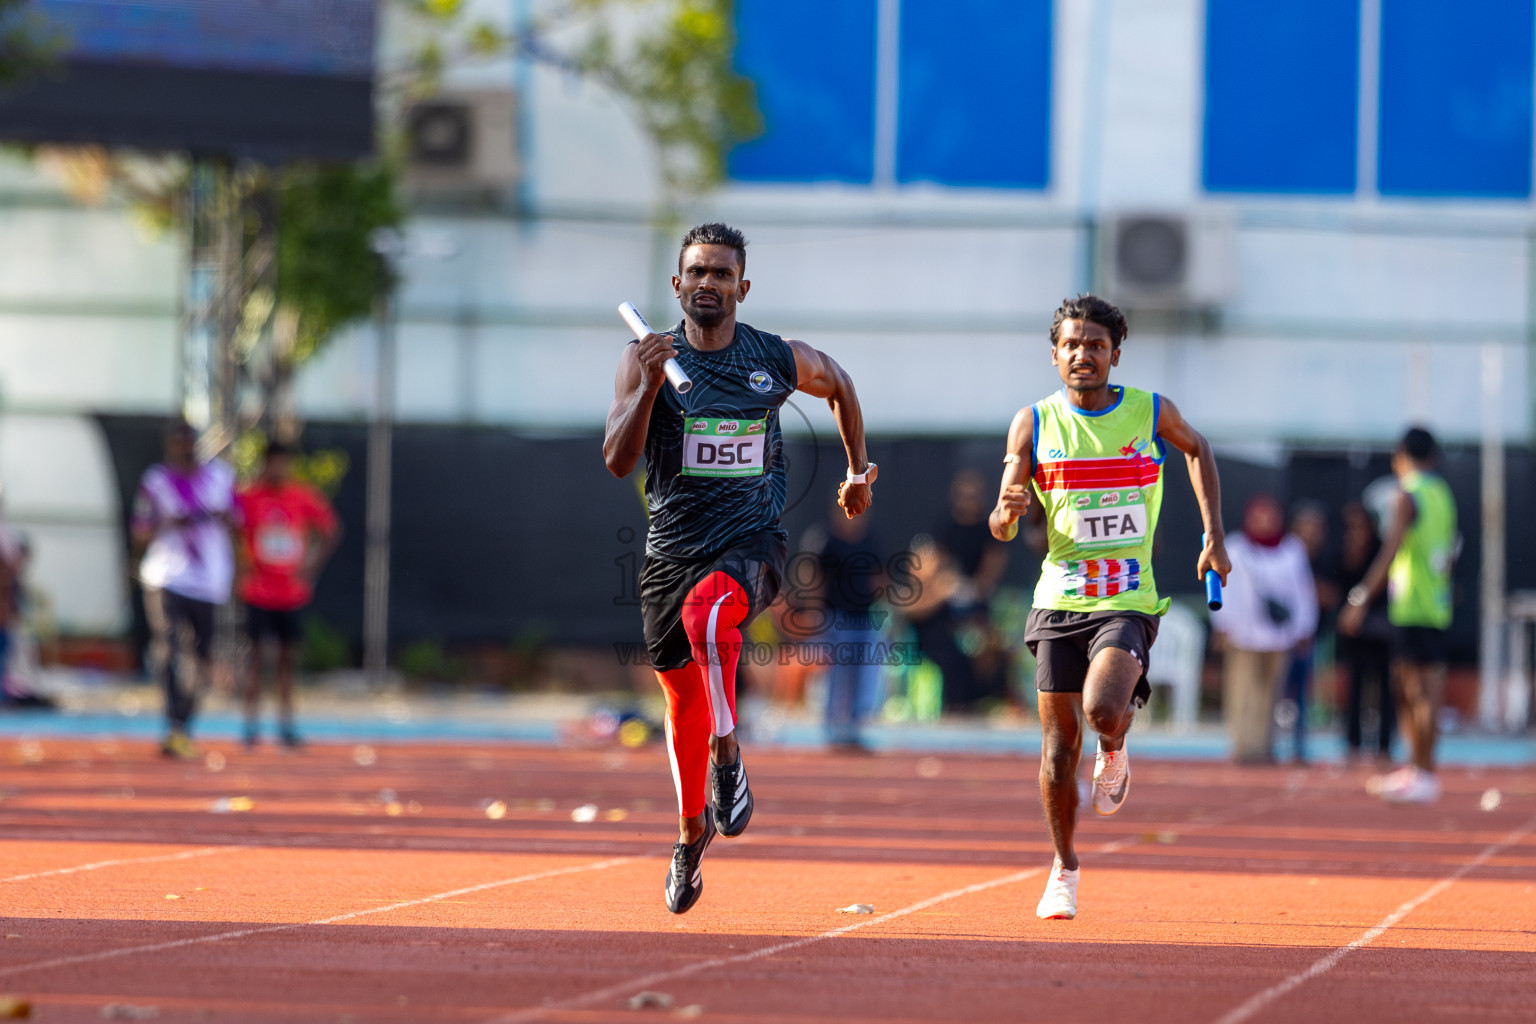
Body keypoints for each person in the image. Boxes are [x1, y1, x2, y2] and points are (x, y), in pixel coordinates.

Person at [603, 222, 874, 914]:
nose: (707, 283)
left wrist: (856, 469)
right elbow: (617, 459)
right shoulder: (644, 357)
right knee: (680, 700)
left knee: (712, 615)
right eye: (696, 272)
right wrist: (648, 385)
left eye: (721, 274)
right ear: (677, 284)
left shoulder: (773, 359)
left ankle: (731, 751)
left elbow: (840, 384)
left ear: (741, 288)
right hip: (670, 549)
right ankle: (691, 834)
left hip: (752, 540)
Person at [989, 294, 1230, 921]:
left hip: (1126, 596)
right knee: (1055, 754)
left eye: (1095, 345)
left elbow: (1198, 449)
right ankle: (1064, 868)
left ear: (1114, 354)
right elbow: (1004, 516)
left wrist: (1214, 538)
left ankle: (1116, 744)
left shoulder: (1150, 413)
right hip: (1058, 597)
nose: (1082, 355)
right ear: (1054, 355)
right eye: (1071, 344)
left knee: (1101, 709)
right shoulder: (1034, 422)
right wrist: (1007, 515)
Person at [1339, 426, 1457, 804]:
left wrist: (1358, 599)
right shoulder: (1443, 495)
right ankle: (1421, 771)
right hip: (1437, 603)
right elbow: (1451, 553)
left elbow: (1390, 551)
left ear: (1399, 456)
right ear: (1434, 458)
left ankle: (1421, 773)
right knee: (1427, 691)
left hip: (1411, 604)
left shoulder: (1407, 496)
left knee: (1413, 691)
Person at [131, 419, 237, 759]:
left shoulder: (220, 478)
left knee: (202, 659)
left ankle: (183, 721)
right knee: (170, 646)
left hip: (209, 582)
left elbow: (241, 520)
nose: (184, 448)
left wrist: (223, 517)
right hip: (167, 577)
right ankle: (173, 722)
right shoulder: (156, 481)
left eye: (188, 441)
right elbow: (139, 532)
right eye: (177, 442)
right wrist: (166, 522)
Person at [235, 440, 341, 749]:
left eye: (284, 462)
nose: (279, 468)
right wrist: (240, 565)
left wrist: (311, 569)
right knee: (256, 658)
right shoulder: (250, 496)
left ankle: (286, 725)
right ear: (266, 463)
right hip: (258, 591)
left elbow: (331, 530)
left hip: (291, 592)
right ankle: (250, 726)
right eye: (274, 462)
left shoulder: (302, 496)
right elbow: (231, 527)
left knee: (286, 660)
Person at [1211, 495, 1317, 765]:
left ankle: (1266, 747)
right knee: (1243, 691)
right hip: (1243, 633)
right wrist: (1222, 624)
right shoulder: (1235, 547)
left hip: (1280, 635)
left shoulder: (1292, 548)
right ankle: (1243, 746)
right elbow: (1224, 588)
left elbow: (1303, 590)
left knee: (1273, 694)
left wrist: (1305, 627)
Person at [804, 502, 886, 752]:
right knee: (837, 672)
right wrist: (815, 612)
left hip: (864, 617)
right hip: (837, 617)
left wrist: (884, 609)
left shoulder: (870, 540)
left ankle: (856, 725)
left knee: (865, 672)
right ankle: (832, 725)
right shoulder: (828, 541)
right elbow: (817, 579)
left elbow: (878, 577)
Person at [1336, 500, 1393, 762]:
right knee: (1355, 688)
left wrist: (1360, 603)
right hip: (1355, 634)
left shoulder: (1382, 552)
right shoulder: (1344, 550)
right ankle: (1353, 743)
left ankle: (1383, 746)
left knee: (1384, 689)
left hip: (1381, 632)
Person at [1282, 501, 1337, 763]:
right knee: (1276, 692)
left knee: (1305, 696)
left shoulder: (1326, 559)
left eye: (1317, 528)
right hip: (1279, 637)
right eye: (1307, 526)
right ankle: (1267, 745)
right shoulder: (1282, 554)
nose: (1313, 532)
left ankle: (1298, 747)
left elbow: (1329, 596)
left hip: (1313, 636)